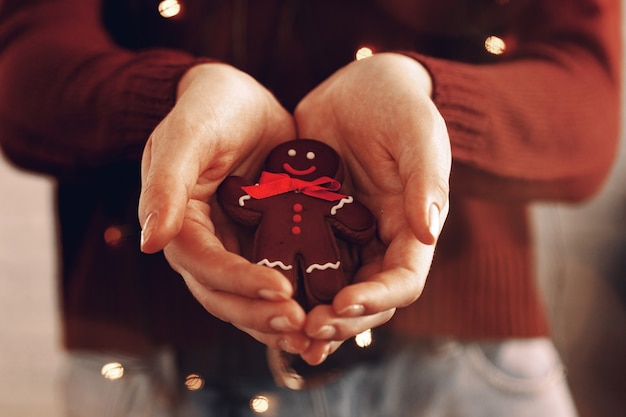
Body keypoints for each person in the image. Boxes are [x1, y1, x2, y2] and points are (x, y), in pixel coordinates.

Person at [0, 0, 620, 416]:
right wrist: (175, 100)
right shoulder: (279, 194)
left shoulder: (326, 198)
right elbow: (25, 71)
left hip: (464, 370)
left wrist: (425, 97)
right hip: (153, 369)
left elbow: (587, 103)